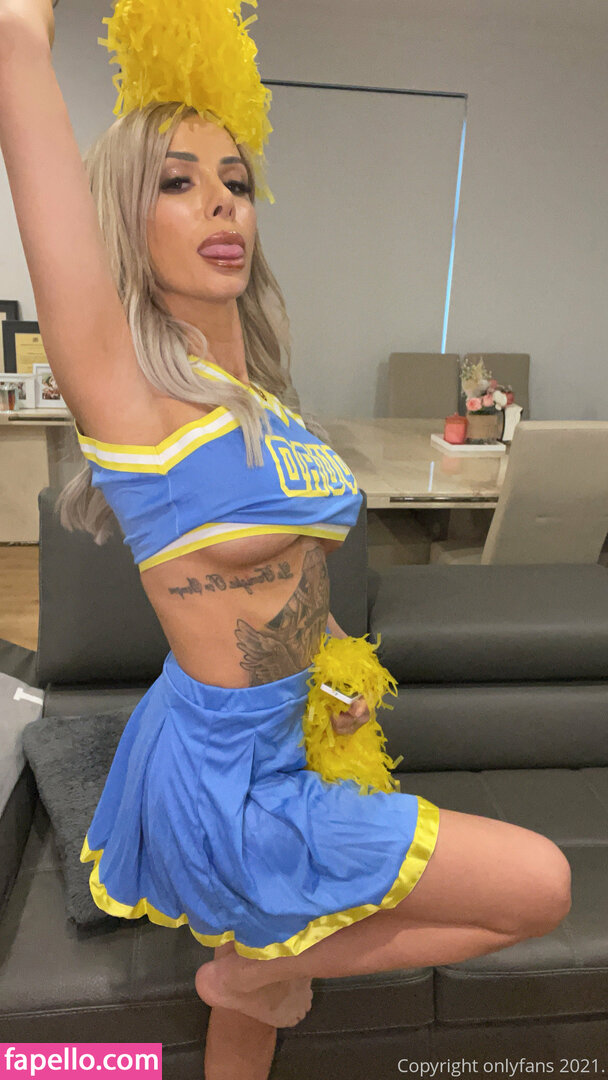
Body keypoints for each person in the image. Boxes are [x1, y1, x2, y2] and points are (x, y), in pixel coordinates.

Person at [0, 2, 572, 1078]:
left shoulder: (256, 396)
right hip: (221, 775)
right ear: (125, 215)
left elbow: (288, 571)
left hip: (286, 731)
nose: (221, 201)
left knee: (255, 1023)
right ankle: (251, 970)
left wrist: (329, 676)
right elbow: (32, 137)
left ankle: (253, 985)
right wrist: (22, 39)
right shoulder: (130, 397)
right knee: (539, 884)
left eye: (235, 179)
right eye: (177, 182)